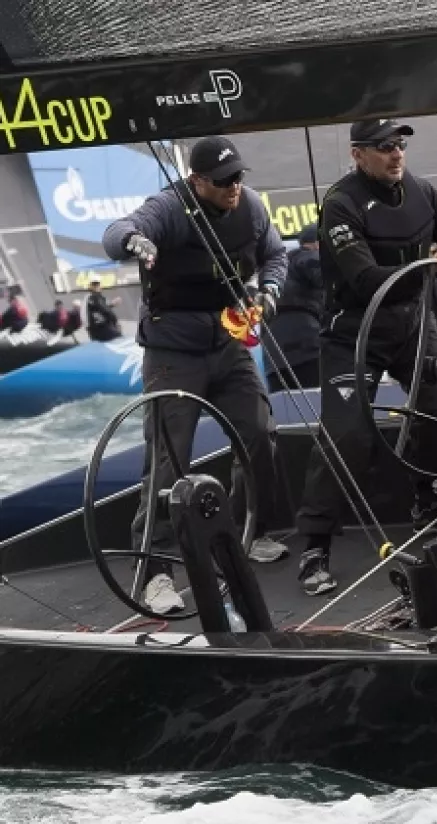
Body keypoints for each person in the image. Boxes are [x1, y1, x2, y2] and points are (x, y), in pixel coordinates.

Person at [294, 118, 437, 597]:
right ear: (358, 155)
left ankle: (429, 506)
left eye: (400, 145)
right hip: (354, 331)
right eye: (383, 147)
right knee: (347, 435)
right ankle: (313, 546)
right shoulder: (341, 204)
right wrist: (432, 265)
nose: (396, 154)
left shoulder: (423, 192)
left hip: (415, 324)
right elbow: (369, 281)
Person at [102, 135, 289, 614]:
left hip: (229, 343)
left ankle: (251, 530)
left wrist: (268, 291)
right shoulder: (167, 207)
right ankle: (155, 571)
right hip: (173, 351)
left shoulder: (250, 208)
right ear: (196, 180)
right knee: (168, 459)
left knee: (259, 431)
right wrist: (133, 241)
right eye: (223, 181)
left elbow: (275, 256)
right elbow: (117, 231)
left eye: (238, 177)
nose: (234, 186)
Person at [264, 222, 323, 390]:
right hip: (307, 349)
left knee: (289, 413)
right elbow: (327, 278)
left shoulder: (274, 269)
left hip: (273, 360)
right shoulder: (308, 257)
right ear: (317, 244)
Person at [85, 277, 122, 341]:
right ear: (91, 287)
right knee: (119, 339)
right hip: (102, 328)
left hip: (95, 329)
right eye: (95, 285)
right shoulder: (95, 297)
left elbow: (100, 308)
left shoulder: (90, 298)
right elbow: (105, 310)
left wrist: (112, 304)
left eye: (98, 284)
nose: (98, 286)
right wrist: (116, 322)